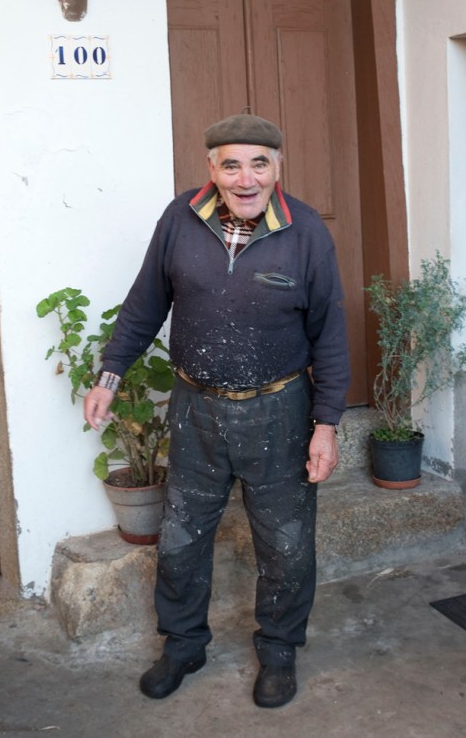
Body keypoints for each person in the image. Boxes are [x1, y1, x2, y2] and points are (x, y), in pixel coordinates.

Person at [84, 113, 350, 708]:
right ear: (211, 168)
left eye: (259, 164)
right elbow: (144, 304)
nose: (245, 178)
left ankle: (278, 651)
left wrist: (326, 425)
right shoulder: (179, 218)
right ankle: (183, 645)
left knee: (286, 544)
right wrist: (109, 376)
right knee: (181, 537)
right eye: (231, 165)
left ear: (277, 167)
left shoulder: (306, 230)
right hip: (195, 410)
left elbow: (330, 335)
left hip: (279, 411)